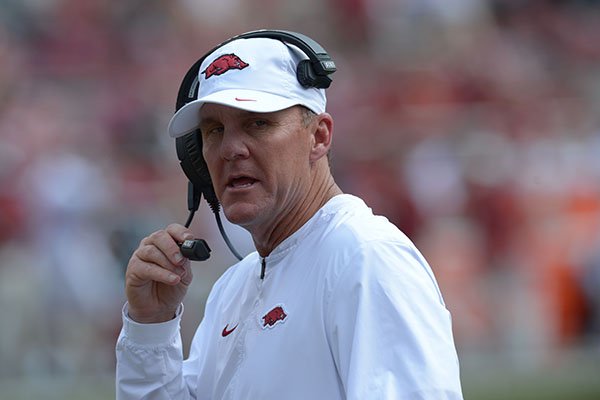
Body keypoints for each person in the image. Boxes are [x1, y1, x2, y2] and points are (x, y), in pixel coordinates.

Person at [115, 31, 464, 400]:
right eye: (214, 130)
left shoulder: (367, 259)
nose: (230, 149)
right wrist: (150, 327)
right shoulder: (233, 288)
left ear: (318, 137)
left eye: (257, 123)